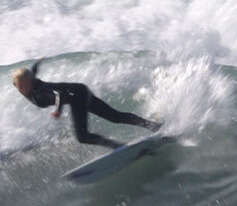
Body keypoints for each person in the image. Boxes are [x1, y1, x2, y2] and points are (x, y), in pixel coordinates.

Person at [13, 60, 161, 149]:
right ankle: (151, 126)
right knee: (114, 117)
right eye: (20, 86)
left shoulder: (39, 90)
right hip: (79, 92)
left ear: (31, 82)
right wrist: (39, 61)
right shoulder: (28, 84)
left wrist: (58, 110)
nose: (23, 88)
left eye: (26, 84)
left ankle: (119, 145)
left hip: (78, 95)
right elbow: (32, 71)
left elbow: (58, 94)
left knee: (83, 136)